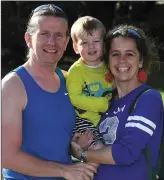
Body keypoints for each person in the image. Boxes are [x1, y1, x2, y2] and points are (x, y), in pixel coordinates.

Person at [2, 4, 97, 180]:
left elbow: (58, 138)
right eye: (44, 34)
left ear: (67, 41)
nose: (52, 42)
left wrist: (77, 145)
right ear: (28, 39)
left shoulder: (69, 80)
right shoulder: (13, 86)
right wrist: (64, 170)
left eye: (59, 35)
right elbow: (6, 156)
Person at [71, 24, 164, 180]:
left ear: (140, 61)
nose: (122, 60)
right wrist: (82, 141)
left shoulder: (148, 98)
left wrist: (82, 154)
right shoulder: (106, 102)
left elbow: (126, 153)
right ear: (107, 61)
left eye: (129, 54)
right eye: (115, 54)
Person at [66, 16, 113, 150]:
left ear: (104, 44)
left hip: (106, 118)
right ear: (75, 47)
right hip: (84, 121)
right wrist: (103, 104)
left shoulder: (107, 67)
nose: (91, 46)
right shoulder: (77, 71)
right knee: (98, 148)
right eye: (84, 43)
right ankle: (87, 168)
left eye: (96, 41)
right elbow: (74, 98)